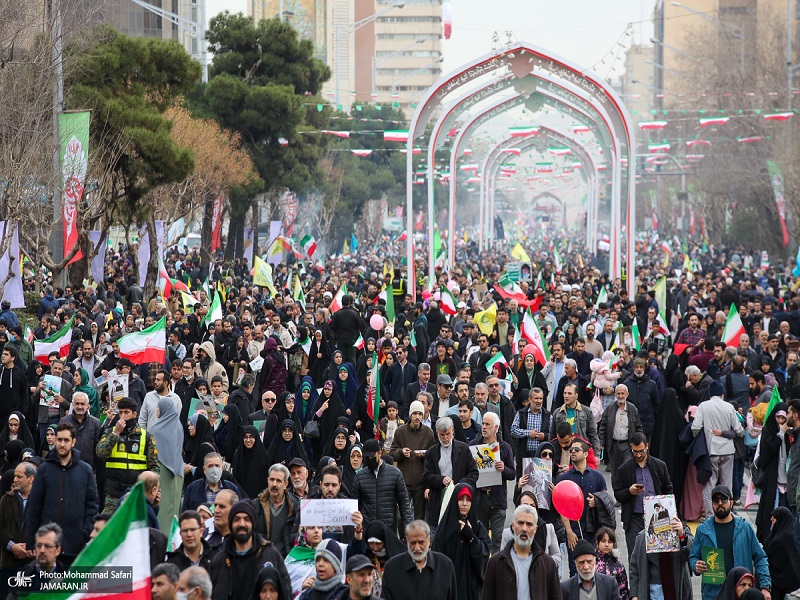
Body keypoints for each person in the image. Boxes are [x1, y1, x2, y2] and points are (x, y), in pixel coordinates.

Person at [26, 422, 98, 564]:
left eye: (66, 440)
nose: (62, 444)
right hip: (47, 546)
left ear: (73, 442)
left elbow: (92, 504)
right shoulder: (44, 470)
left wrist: (84, 532)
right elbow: (34, 505)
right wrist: (31, 541)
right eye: (59, 440)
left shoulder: (85, 470)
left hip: (75, 545)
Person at [689, 485, 771, 600]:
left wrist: (765, 586)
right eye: (716, 500)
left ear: (731, 502)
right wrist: (696, 565)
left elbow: (760, 558)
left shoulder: (745, 528)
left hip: (741, 592)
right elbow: (693, 557)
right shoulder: (702, 530)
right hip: (713, 593)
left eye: (724, 499)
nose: (720, 503)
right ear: (712, 504)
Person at [207, 499, 292, 600]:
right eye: (237, 519)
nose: (242, 524)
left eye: (247, 519)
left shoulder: (270, 554)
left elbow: (286, 593)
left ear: (253, 523)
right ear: (230, 524)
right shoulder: (219, 560)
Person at [611, 432, 673, 561]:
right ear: (631, 448)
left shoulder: (659, 466)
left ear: (647, 447)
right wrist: (629, 492)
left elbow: (668, 490)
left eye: (641, 451)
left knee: (657, 558)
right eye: (635, 452)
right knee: (635, 559)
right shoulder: (624, 469)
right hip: (634, 519)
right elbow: (617, 494)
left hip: (657, 518)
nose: (638, 455)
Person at [481, 504, 563, 600]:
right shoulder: (496, 562)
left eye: (529, 524)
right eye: (520, 523)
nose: (524, 529)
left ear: (535, 529)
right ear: (513, 526)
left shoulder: (547, 563)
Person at [96, 397, 159, 513]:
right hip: (113, 494)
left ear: (134, 414)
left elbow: (154, 467)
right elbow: (100, 453)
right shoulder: (110, 432)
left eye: (126, 412)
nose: (123, 416)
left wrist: (152, 491)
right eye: (120, 412)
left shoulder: (146, 437)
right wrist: (116, 433)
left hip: (136, 493)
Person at [691, 381, 743, 517]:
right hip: (728, 451)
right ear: (722, 394)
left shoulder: (703, 406)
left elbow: (695, 427)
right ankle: (727, 514)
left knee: (709, 484)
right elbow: (739, 430)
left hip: (711, 450)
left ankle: (710, 516)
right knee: (727, 484)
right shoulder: (729, 407)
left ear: (709, 394)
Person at [432, 483, 490, 600]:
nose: (464, 504)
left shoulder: (478, 528)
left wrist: (471, 537)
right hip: (449, 588)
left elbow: (484, 557)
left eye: (468, 500)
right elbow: (436, 560)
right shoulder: (444, 528)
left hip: (471, 589)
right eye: (461, 499)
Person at [560, 438, 608, 576]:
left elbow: (606, 501)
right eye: (571, 450)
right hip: (574, 534)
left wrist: (597, 503)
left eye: (576, 449)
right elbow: (562, 508)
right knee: (575, 571)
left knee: (595, 570)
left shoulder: (597, 477)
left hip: (593, 533)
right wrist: (569, 532)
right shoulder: (565, 478)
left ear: (586, 454)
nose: (572, 452)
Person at [422, 417, 478, 529]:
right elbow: (427, 476)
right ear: (437, 433)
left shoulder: (464, 449)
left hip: (460, 497)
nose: (446, 438)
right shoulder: (432, 452)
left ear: (453, 431)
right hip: (438, 499)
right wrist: (441, 479)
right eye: (442, 435)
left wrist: (460, 484)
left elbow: (473, 473)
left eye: (448, 434)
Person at [469, 412, 514, 551]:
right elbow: (467, 472)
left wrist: (503, 469)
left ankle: (495, 569)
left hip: (497, 499)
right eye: (482, 423)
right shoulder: (473, 446)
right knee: (480, 537)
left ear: (496, 427)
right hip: (479, 498)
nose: (483, 427)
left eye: (487, 424)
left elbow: (512, 474)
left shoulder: (505, 448)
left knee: (498, 539)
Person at [381, 520, 458, 600]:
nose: (417, 548)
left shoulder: (445, 565)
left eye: (421, 542)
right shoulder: (392, 568)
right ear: (407, 541)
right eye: (413, 543)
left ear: (428, 540)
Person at [352, 439, 413, 536]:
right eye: (366, 457)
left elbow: (404, 504)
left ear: (379, 453)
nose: (369, 459)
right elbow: (355, 507)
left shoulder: (395, 474)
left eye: (371, 456)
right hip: (367, 530)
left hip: (388, 530)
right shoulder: (359, 477)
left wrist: (408, 530)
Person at [389, 399, 434, 520]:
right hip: (404, 481)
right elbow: (392, 453)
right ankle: (403, 538)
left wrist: (425, 455)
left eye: (420, 414)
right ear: (410, 414)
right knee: (402, 515)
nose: (417, 417)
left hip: (421, 482)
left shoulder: (428, 433)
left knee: (420, 517)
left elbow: (433, 457)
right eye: (415, 413)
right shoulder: (400, 431)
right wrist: (401, 452)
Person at [628, 516, 693, 600]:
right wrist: (634, 595)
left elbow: (692, 555)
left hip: (676, 588)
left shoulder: (682, 531)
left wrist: (681, 536)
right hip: (652, 589)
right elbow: (634, 568)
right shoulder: (642, 538)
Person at [149, 396, 185, 532]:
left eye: (158, 407)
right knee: (174, 508)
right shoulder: (179, 427)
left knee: (162, 511)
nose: (156, 409)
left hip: (161, 471)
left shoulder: (155, 430)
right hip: (178, 472)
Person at [253, 463, 298, 556]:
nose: (274, 484)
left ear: (286, 484)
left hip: (286, 560)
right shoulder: (256, 505)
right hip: (262, 559)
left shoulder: (295, 507)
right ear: (268, 480)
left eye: (278, 481)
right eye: (272, 480)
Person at [597, 385, 643, 475]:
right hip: (614, 445)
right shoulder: (610, 408)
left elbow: (638, 427)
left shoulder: (632, 409)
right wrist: (601, 442)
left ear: (627, 394)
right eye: (618, 393)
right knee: (615, 472)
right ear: (615, 394)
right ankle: (617, 488)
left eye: (623, 393)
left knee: (627, 468)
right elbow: (603, 426)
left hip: (628, 444)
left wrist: (639, 442)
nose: (621, 396)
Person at [0, 462, 36, 568]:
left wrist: (31, 545)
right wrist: (11, 546)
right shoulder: (6, 500)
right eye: (15, 476)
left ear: (31, 479)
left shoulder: (41, 501)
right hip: (9, 562)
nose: (15, 480)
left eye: (19, 477)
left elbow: (47, 527)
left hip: (33, 562)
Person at [550, 382, 600, 453]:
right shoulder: (557, 412)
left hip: (581, 450)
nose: (566, 396)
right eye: (565, 393)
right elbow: (552, 435)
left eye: (569, 393)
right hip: (562, 450)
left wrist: (597, 454)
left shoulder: (587, 411)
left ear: (576, 395)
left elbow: (593, 434)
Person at [762, 506, 800, 600]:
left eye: (774, 520)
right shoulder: (789, 534)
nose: (772, 523)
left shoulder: (781, 540)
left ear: (781, 520)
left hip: (778, 583)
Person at [594, 527, 629, 600]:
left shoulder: (619, 566)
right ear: (597, 543)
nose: (606, 545)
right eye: (603, 541)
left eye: (610, 542)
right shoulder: (591, 563)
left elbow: (623, 590)